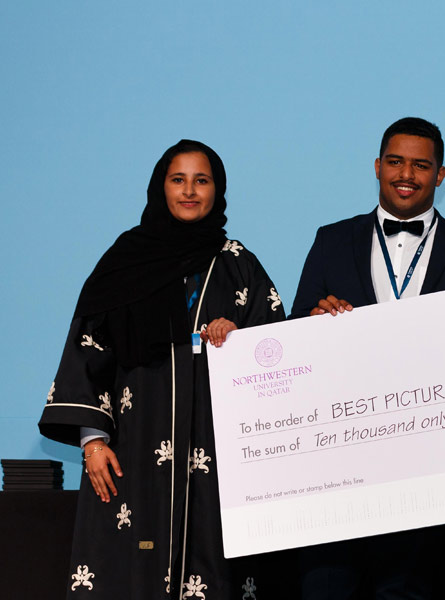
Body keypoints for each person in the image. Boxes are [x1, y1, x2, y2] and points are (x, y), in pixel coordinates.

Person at [39, 140, 286, 598]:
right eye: (178, 180)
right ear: (160, 187)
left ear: (219, 190)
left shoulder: (238, 266)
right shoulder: (123, 261)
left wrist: (239, 337)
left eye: (202, 180)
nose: (189, 191)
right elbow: (89, 348)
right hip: (134, 453)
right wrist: (93, 443)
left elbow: (278, 355)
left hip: (215, 461)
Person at [290, 116, 445, 599]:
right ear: (378, 167)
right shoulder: (330, 240)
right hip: (340, 475)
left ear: (440, 175)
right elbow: (295, 336)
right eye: (396, 162)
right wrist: (314, 324)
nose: (406, 174)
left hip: (433, 482)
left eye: (421, 165)